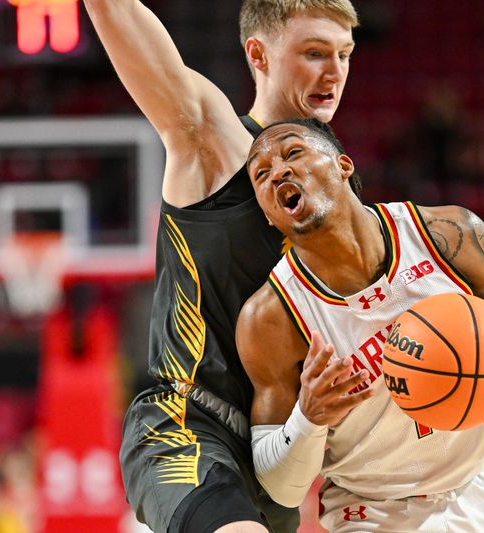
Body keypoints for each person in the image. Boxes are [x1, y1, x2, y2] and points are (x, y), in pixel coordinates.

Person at [82, 1, 358, 532]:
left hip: (276, 450)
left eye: (344, 54)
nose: (335, 71)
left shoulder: (342, 192)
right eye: (315, 52)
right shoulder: (212, 139)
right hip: (188, 421)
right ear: (259, 54)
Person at [236, 118, 484, 532]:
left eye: (293, 152)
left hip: (482, 480)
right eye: (261, 174)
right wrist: (308, 417)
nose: (278, 171)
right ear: (268, 215)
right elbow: (281, 490)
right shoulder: (271, 317)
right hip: (372, 510)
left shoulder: (447, 234)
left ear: (343, 165)